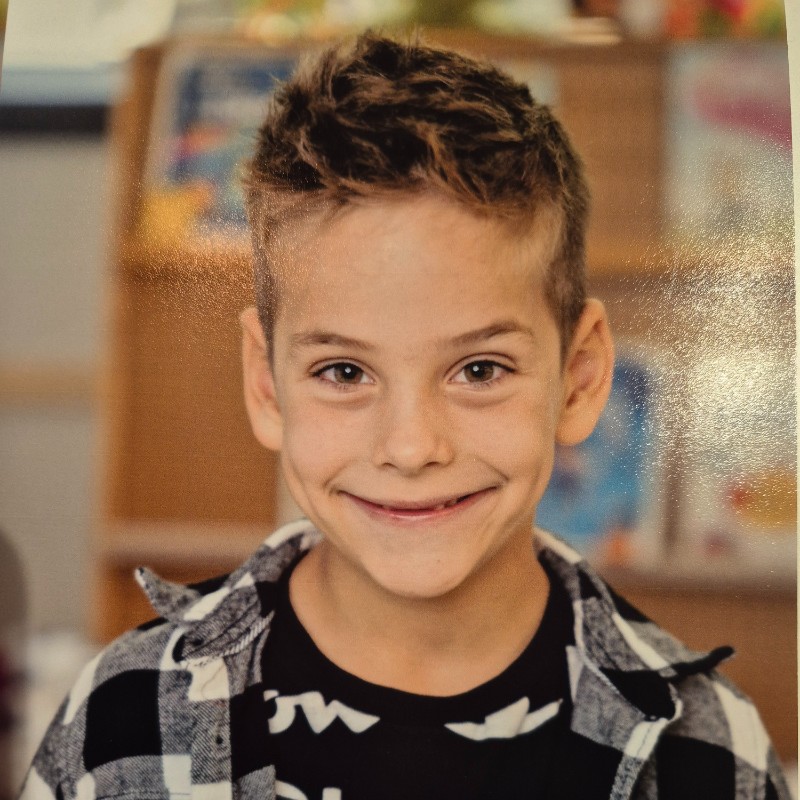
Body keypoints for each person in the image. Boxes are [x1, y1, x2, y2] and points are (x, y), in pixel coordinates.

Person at [22, 32, 789, 800]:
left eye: (479, 370)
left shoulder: (709, 749)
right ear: (266, 383)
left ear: (580, 378)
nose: (413, 446)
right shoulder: (120, 719)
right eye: (344, 372)